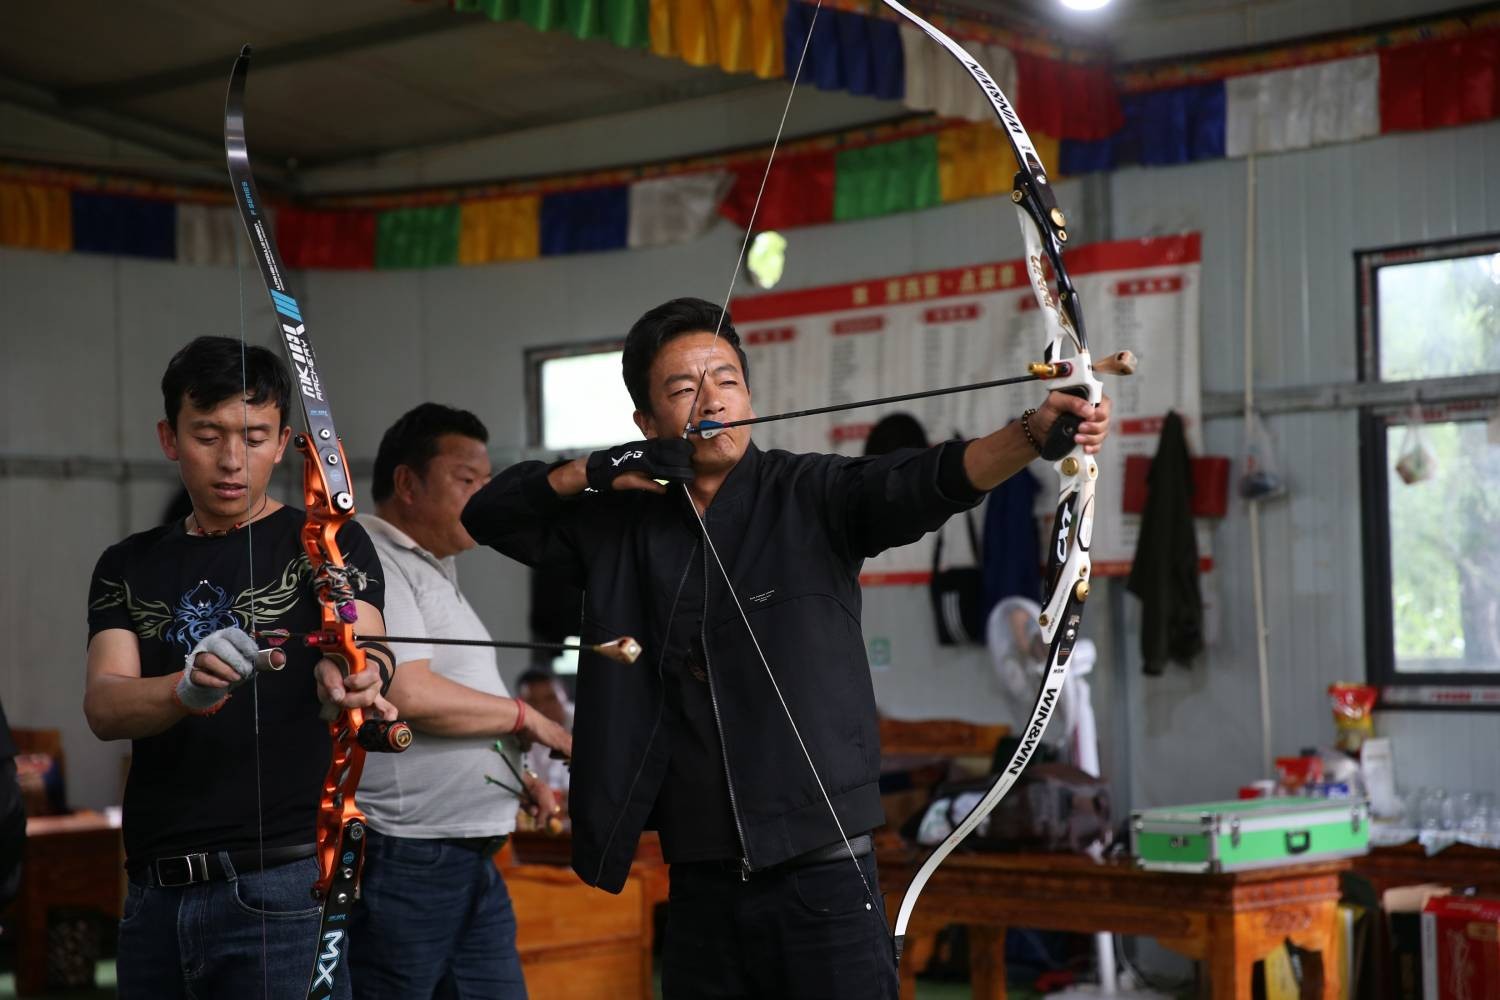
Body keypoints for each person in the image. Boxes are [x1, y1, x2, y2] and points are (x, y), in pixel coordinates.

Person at [461, 297, 1112, 999]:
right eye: (683, 389)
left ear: (749, 396)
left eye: (727, 380)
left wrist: (1033, 433)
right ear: (647, 425)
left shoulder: (813, 493)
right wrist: (592, 469)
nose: (712, 400)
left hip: (825, 875)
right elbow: (487, 514)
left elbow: (931, 479)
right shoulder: (619, 525)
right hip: (701, 883)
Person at [83, 336, 395, 1000]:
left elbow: (363, 640)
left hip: (281, 887)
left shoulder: (330, 542)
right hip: (153, 894)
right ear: (170, 438)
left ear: (283, 443)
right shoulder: (127, 564)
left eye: (254, 438)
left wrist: (353, 677)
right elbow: (105, 706)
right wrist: (185, 689)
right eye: (208, 435)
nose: (231, 460)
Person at [349, 402, 570, 1000]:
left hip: (468, 854)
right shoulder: (372, 557)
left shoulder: (433, 567)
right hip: (408, 855)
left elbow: (462, 699)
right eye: (466, 479)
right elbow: (407, 690)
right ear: (407, 484)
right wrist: (527, 718)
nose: (484, 495)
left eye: (487, 481)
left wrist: (517, 775)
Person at [515, 668, 573, 796]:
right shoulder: (514, 734)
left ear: (565, 694)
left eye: (550, 698)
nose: (542, 708)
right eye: (533, 701)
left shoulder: (586, 726)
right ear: (520, 703)